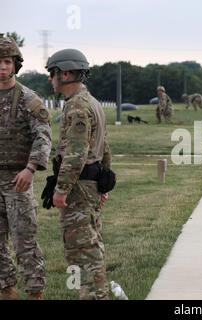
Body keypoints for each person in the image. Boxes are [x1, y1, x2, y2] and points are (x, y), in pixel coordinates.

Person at [45, 48, 112, 300]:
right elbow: (105, 145)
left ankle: (93, 296)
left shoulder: (77, 107)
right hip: (90, 184)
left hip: (79, 188)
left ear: (67, 73)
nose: (50, 78)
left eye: (52, 73)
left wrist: (61, 189)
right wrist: (104, 182)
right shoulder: (92, 102)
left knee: (82, 250)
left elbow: (76, 152)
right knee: (92, 244)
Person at [0, 34, 52, 300]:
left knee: (25, 243)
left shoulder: (28, 99)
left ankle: (35, 293)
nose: (2, 67)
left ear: (15, 64)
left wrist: (31, 168)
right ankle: (7, 290)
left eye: (7, 61)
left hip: (17, 179)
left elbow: (43, 135)